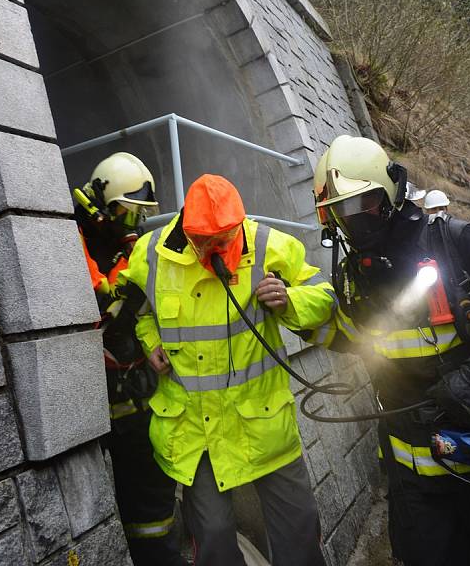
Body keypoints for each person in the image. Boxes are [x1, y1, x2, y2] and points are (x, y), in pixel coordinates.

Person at [115, 173, 336, 566]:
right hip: (193, 432)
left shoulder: (269, 244)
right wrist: (151, 344)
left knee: (298, 532)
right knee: (213, 539)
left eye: (225, 238)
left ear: (239, 223)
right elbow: (139, 312)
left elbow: (324, 294)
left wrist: (289, 301)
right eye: (207, 241)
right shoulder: (150, 254)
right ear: (188, 228)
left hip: (263, 421)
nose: (217, 247)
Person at [311, 135, 470, 566]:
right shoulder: (353, 278)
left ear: (391, 193)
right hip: (411, 485)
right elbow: (350, 335)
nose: (355, 220)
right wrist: (293, 313)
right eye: (342, 212)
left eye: (365, 204)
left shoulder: (459, 245)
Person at [75, 152, 186, 566]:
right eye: (127, 213)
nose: (134, 225)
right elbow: (99, 302)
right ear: (103, 207)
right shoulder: (72, 239)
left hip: (137, 396)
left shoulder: (130, 248)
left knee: (152, 499)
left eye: (140, 215)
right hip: (99, 402)